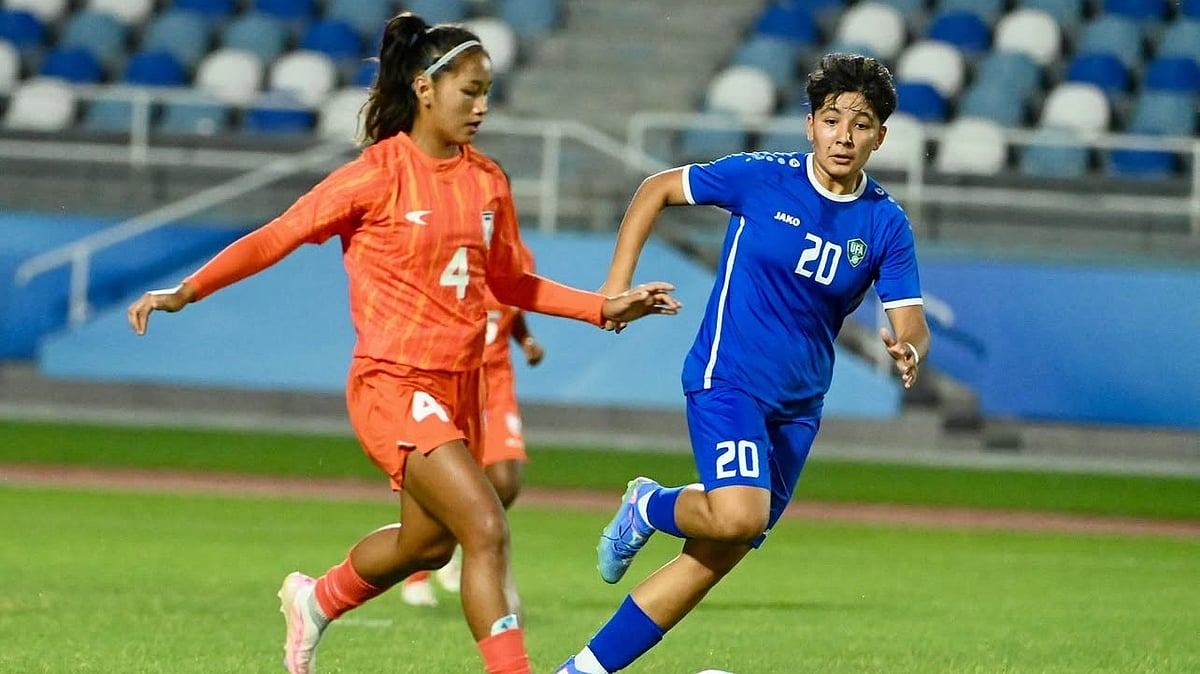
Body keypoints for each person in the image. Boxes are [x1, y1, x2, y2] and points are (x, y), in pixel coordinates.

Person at [125, 13, 680, 674]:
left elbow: (507, 279)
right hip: (393, 382)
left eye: (487, 92)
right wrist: (189, 289)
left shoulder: (487, 180)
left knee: (427, 546)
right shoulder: (376, 174)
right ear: (424, 88)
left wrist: (601, 307)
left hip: (462, 384)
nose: (481, 107)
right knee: (486, 527)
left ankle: (316, 600)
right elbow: (278, 234)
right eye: (469, 91)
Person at [555, 53, 931, 674]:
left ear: (880, 137)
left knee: (713, 555)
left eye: (861, 124)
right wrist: (613, 289)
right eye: (832, 120)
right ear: (810, 125)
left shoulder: (885, 223)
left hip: (799, 406)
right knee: (737, 514)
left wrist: (909, 347)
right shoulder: (761, 177)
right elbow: (657, 189)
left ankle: (582, 670)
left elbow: (909, 317)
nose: (844, 135)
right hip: (728, 380)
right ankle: (648, 506)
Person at [401, 242, 544, 610]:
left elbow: (512, 303)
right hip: (455, 376)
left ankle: (462, 539)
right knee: (446, 477)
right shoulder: (450, 243)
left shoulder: (521, 254)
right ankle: (419, 569)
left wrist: (525, 338)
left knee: (505, 481)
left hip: (496, 381)